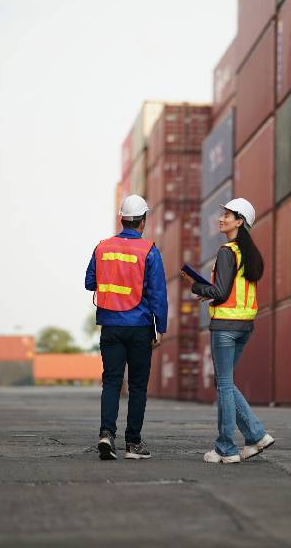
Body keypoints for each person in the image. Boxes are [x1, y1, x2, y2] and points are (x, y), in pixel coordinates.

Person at [181, 198, 274, 464]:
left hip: (225, 326)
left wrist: (196, 286)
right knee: (225, 384)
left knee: (223, 384)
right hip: (245, 325)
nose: (221, 218)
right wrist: (209, 292)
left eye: (227, 215)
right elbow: (231, 291)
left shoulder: (226, 251)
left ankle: (229, 447)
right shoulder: (249, 253)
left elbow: (220, 293)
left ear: (239, 222)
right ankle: (252, 437)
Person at [85, 194, 167, 461]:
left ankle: (106, 434)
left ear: (121, 219)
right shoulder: (149, 251)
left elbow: (89, 282)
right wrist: (160, 327)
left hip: (110, 325)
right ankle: (133, 443)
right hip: (140, 326)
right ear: (143, 221)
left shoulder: (102, 248)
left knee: (111, 381)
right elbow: (158, 295)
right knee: (138, 387)